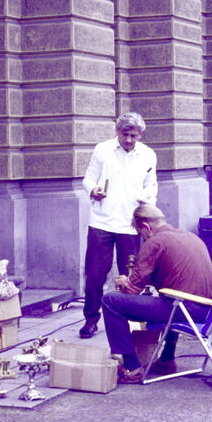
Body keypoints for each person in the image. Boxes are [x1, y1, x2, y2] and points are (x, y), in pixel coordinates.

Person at [101, 204, 212, 384]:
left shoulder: (155, 242)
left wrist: (125, 281)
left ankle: (132, 368)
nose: (142, 238)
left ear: (146, 226)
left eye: (140, 233)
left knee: (111, 301)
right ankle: (166, 359)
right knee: (172, 297)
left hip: (185, 309)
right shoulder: (192, 237)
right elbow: (178, 275)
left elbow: (132, 289)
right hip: (210, 310)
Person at [81, 112, 158, 339]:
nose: (129, 140)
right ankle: (90, 320)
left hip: (130, 224)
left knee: (131, 276)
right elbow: (88, 179)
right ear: (117, 131)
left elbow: (152, 185)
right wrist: (93, 190)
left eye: (134, 135)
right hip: (101, 222)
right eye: (125, 134)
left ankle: (126, 321)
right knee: (95, 275)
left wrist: (146, 200)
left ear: (141, 134)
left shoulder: (148, 155)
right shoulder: (102, 150)